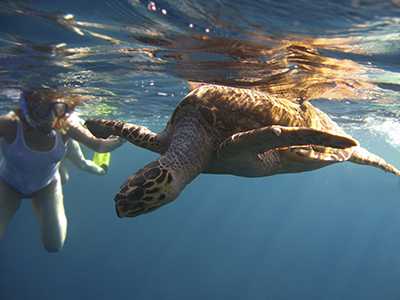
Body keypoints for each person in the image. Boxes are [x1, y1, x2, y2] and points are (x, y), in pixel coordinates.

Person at [0, 88, 124, 252]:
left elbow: (100, 145)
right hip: (9, 185)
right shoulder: (9, 124)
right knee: (74, 164)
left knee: (54, 245)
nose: (50, 119)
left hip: (47, 185)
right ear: (28, 106)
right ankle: (62, 164)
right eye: (43, 110)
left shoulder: (66, 124)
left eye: (57, 109)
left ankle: (101, 167)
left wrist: (125, 134)